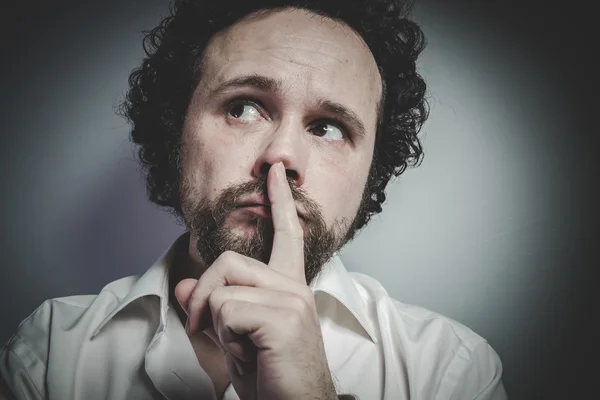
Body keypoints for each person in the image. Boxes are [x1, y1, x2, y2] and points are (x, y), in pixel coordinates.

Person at [0, 0, 508, 399]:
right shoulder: (51, 351)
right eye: (244, 108)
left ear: (370, 171)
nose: (281, 156)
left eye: (328, 127)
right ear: (177, 131)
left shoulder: (450, 370)